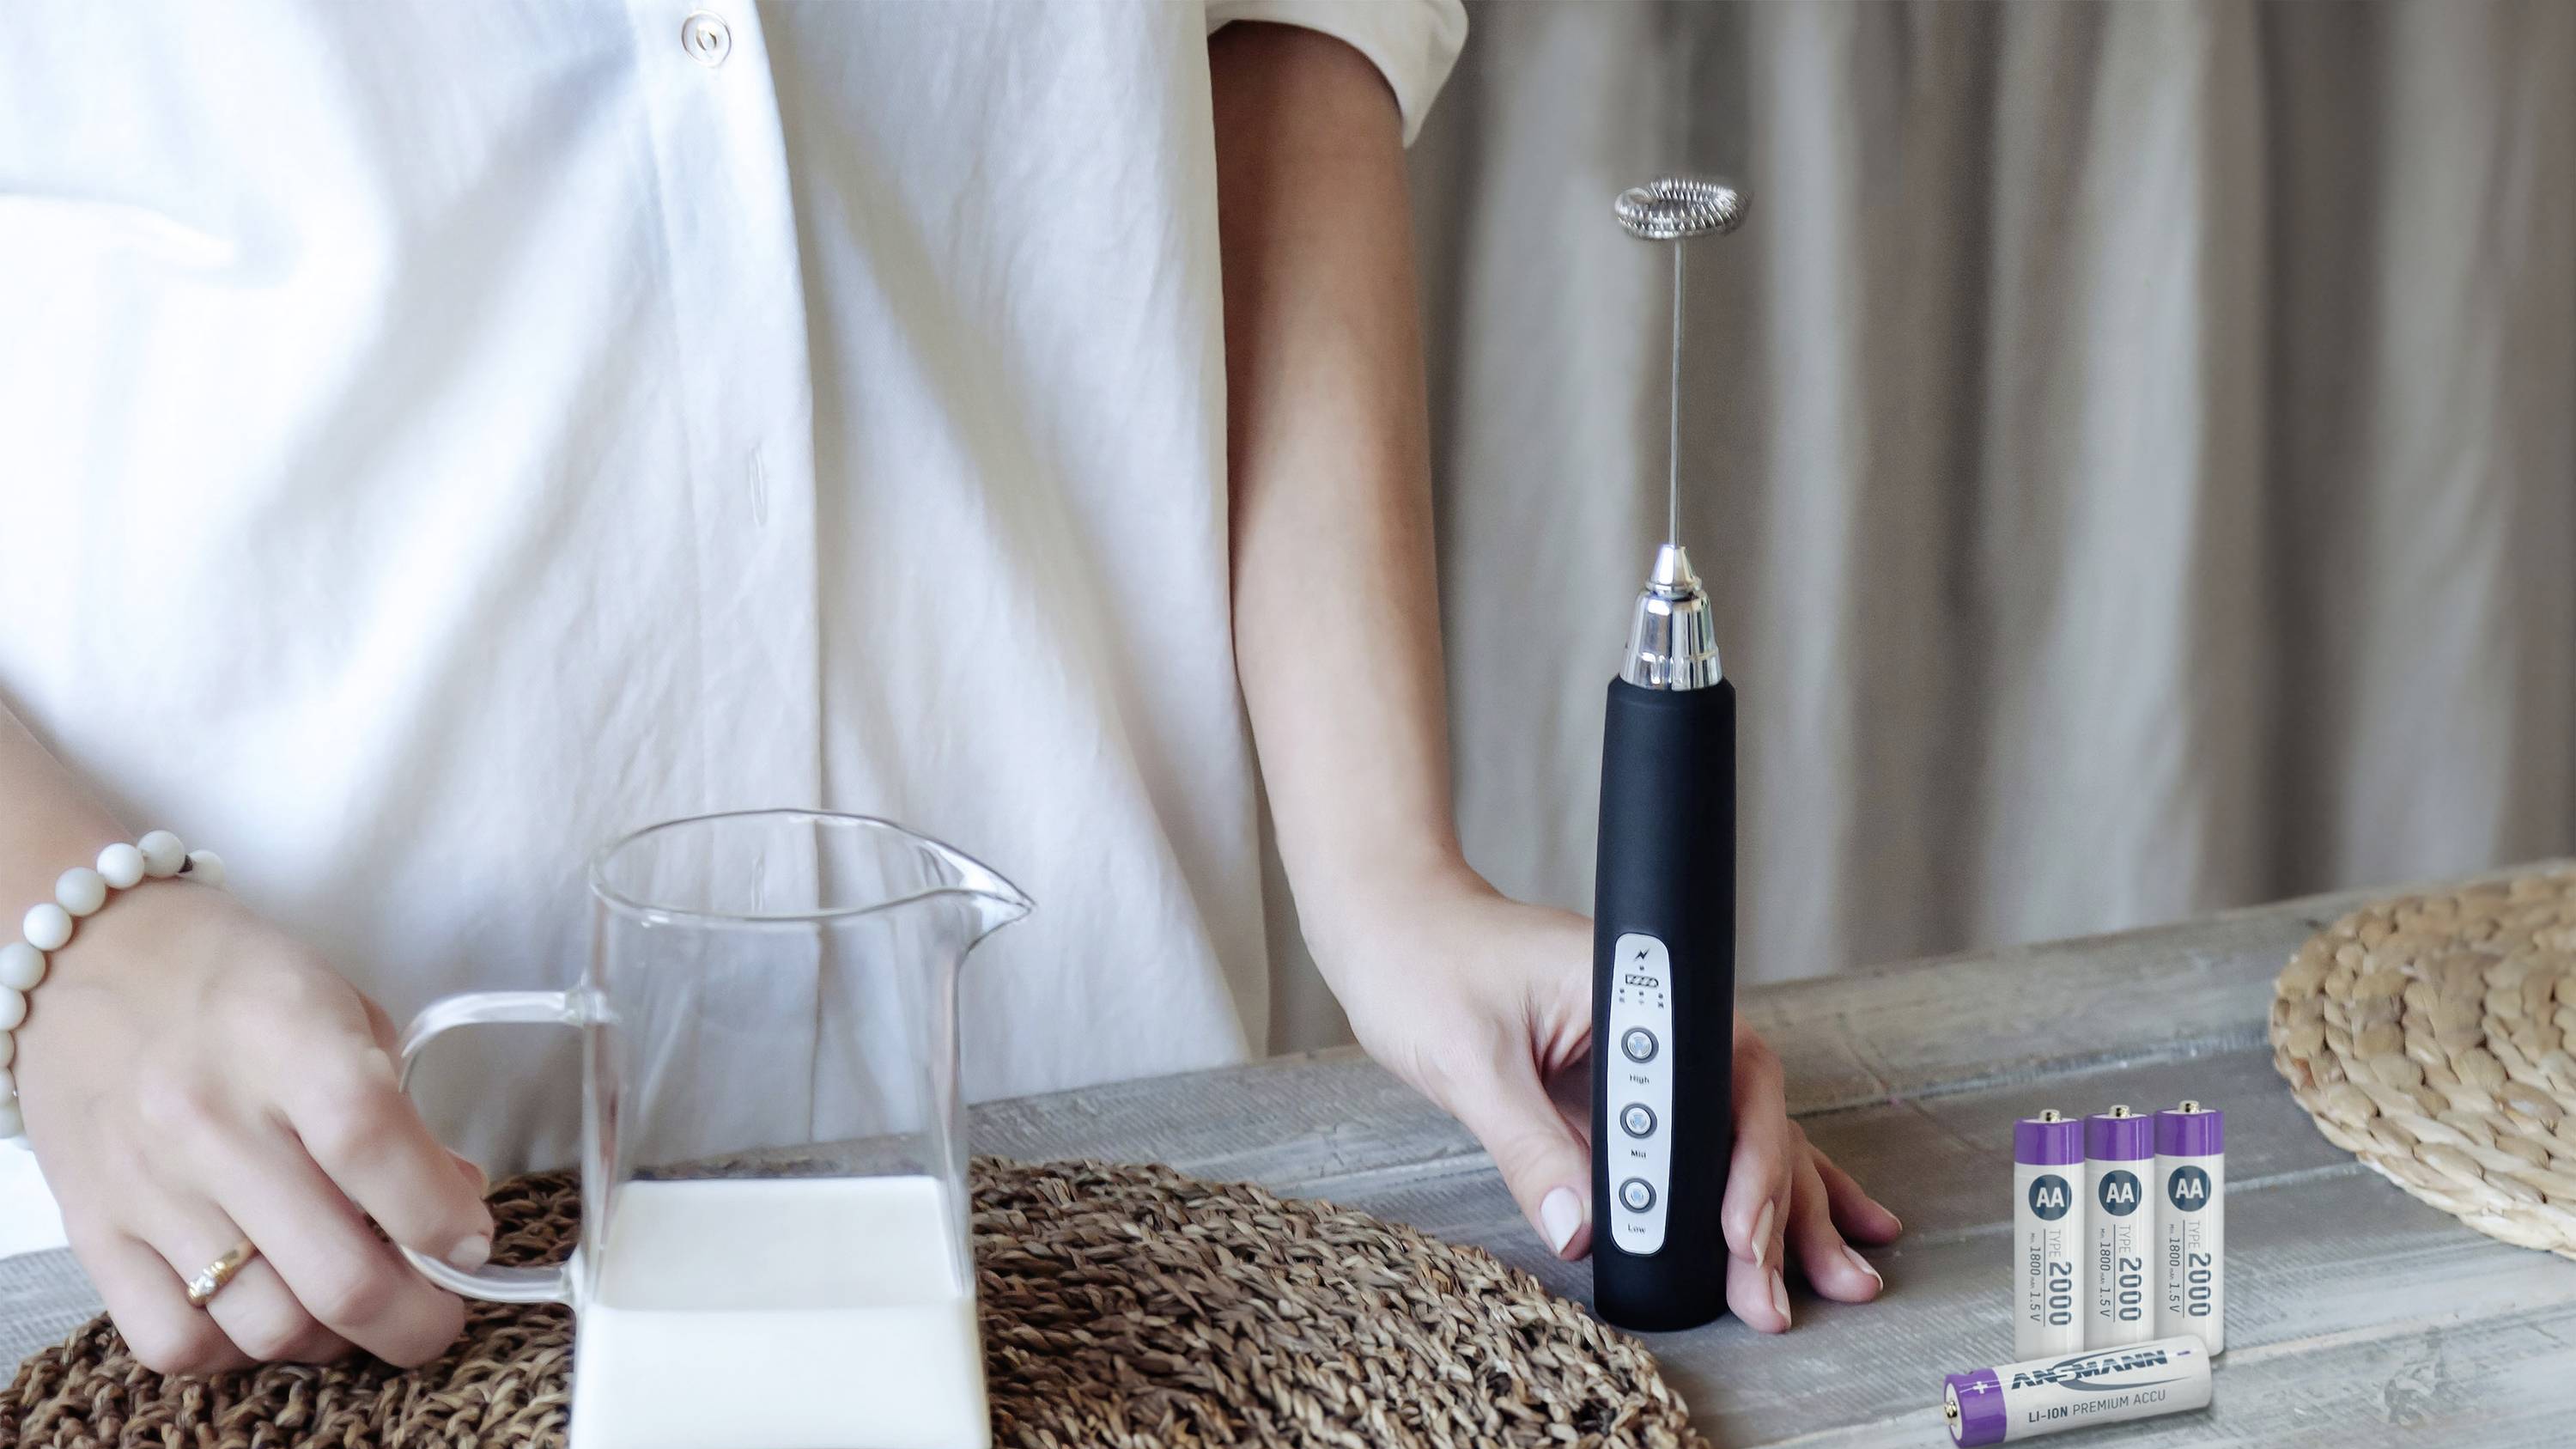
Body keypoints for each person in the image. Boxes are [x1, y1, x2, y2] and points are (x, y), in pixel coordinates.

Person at [0, 3, 1896, 1376]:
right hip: (260, 1215)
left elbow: (1287, 46)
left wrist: (1387, 874)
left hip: (1094, 1170)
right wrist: (61, 934)